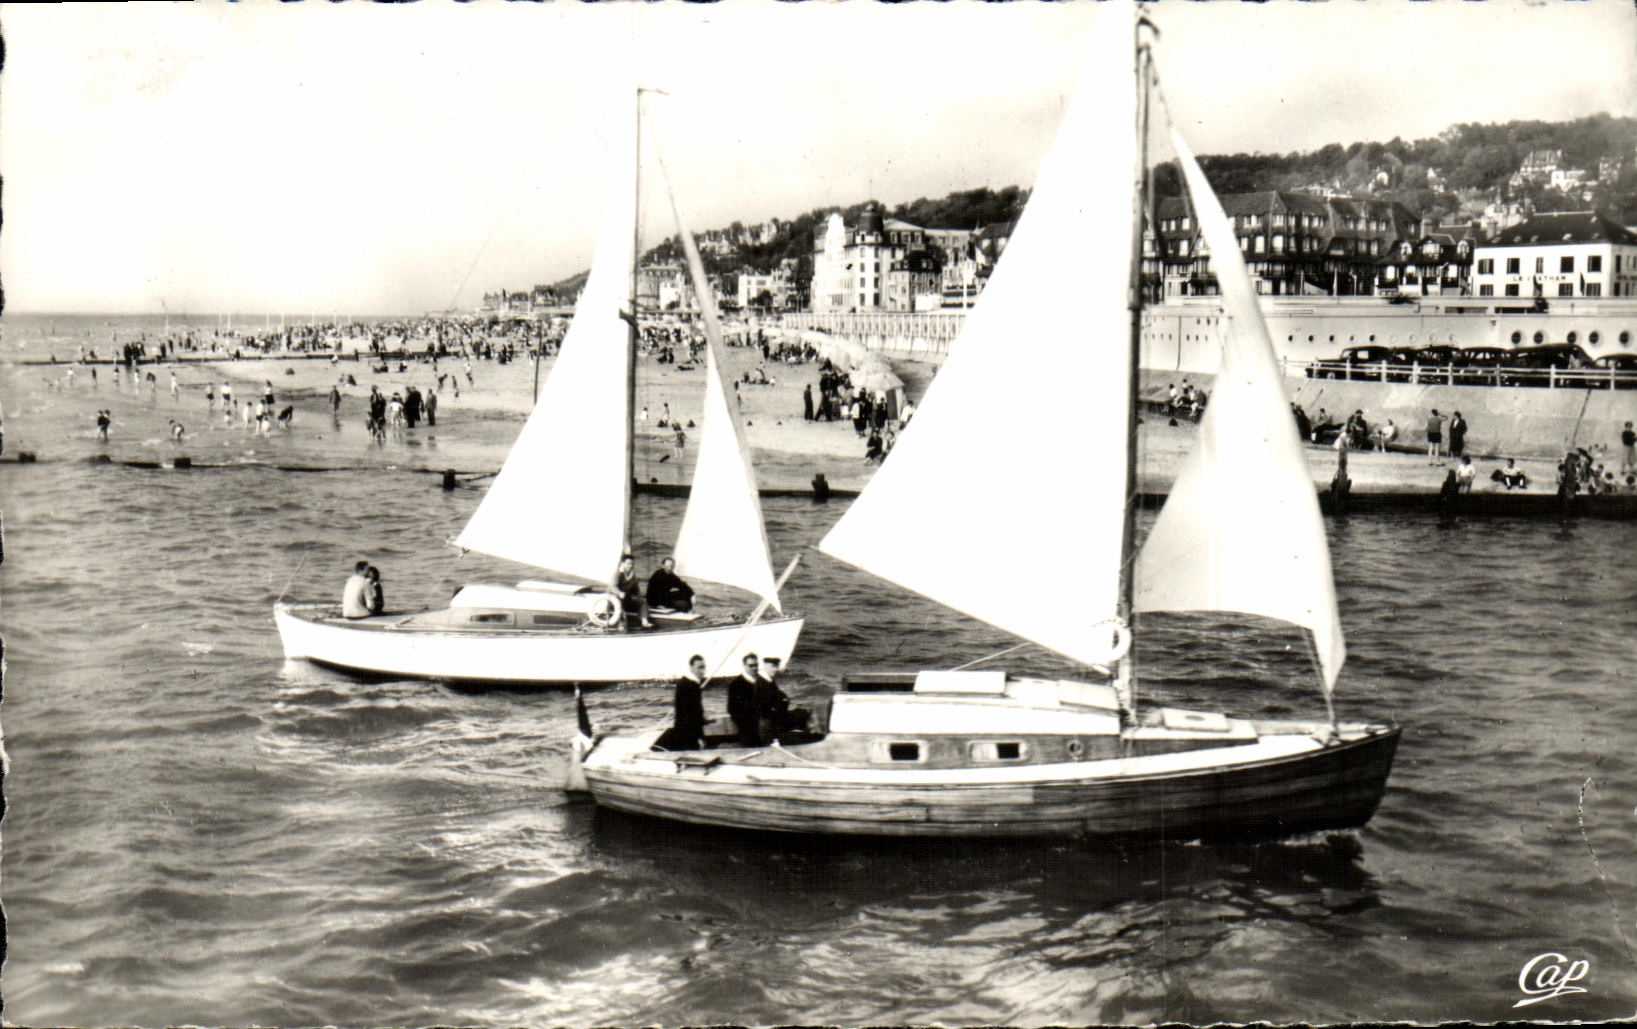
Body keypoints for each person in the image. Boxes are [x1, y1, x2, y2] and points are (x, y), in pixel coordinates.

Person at [652, 654, 709, 752]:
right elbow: (691, 714)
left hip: (683, 729)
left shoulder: (687, 682)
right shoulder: (690, 685)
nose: (702, 671)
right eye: (699, 667)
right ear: (691, 667)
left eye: (704, 667)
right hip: (687, 733)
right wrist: (699, 737)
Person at [728, 653, 764, 746]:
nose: (755, 668)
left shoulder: (763, 682)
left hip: (764, 728)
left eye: (756, 665)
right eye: (751, 665)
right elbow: (732, 709)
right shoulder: (736, 684)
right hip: (746, 730)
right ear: (744, 666)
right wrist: (745, 727)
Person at [609, 554, 653, 629]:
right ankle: (622, 623)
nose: (630, 566)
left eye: (632, 564)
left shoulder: (633, 575)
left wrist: (641, 597)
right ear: (623, 563)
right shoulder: (618, 573)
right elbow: (613, 586)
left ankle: (644, 621)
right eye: (628, 563)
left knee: (643, 601)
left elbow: (636, 590)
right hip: (614, 599)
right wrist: (619, 593)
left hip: (626, 598)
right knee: (619, 602)